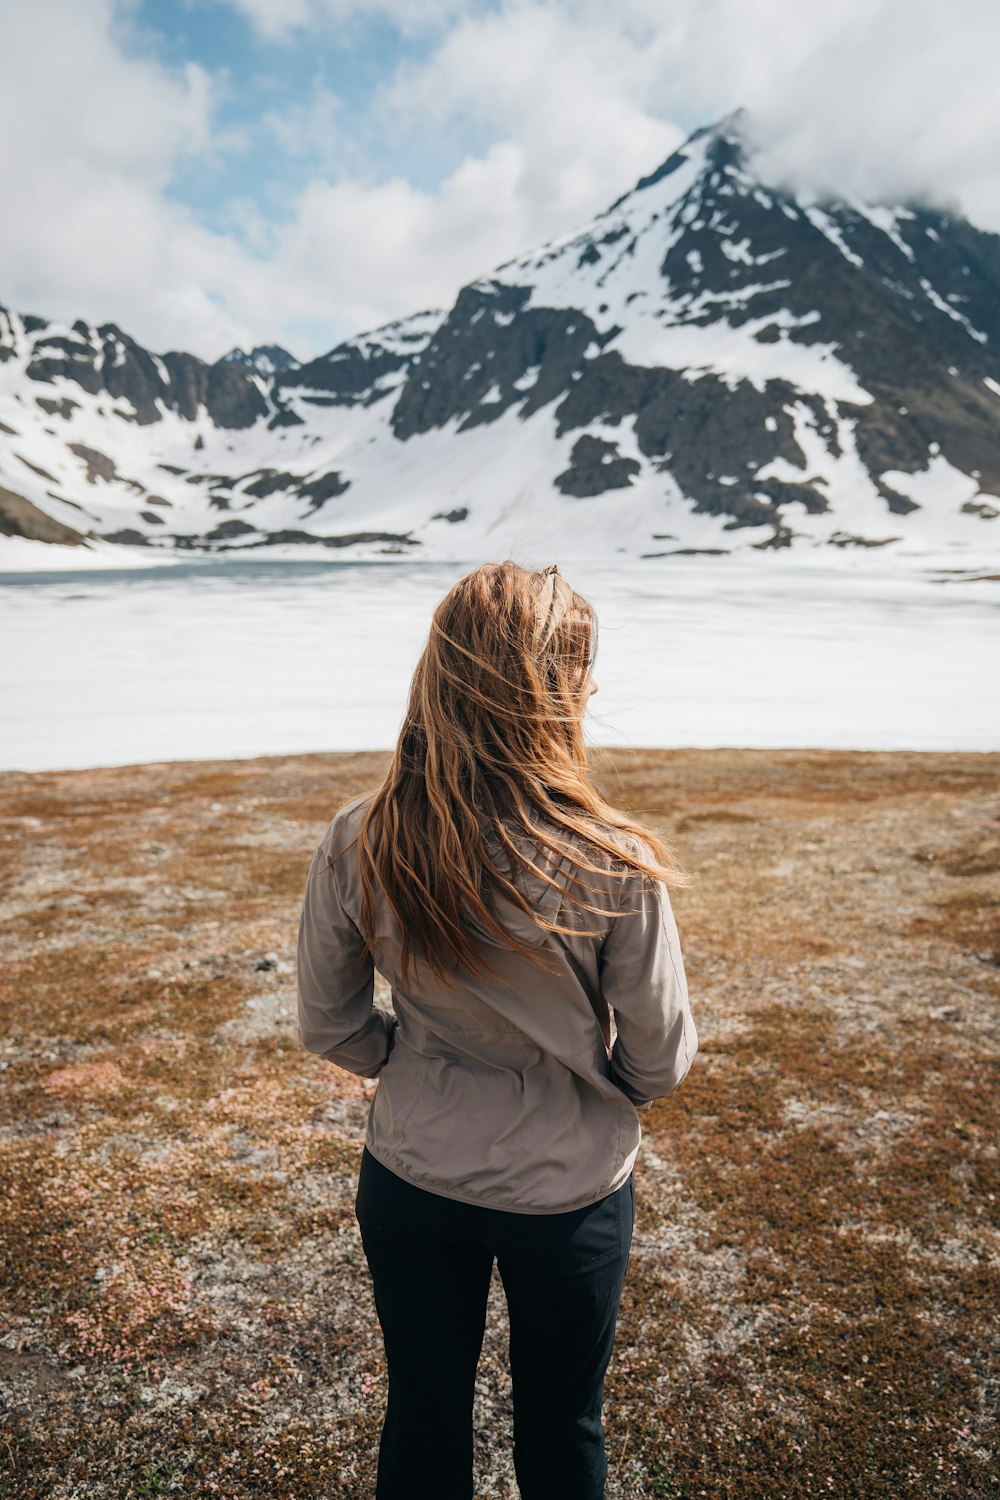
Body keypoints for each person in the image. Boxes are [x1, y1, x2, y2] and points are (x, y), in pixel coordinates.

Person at [296, 560, 698, 1500]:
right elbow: (661, 1054)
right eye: (581, 671)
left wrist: (404, 1064)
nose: (593, 689)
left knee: (424, 1412)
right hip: (569, 1193)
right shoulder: (612, 858)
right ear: (549, 691)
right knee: (563, 1426)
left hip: (411, 1172)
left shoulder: (361, 835)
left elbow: (329, 1021)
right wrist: (602, 1091)